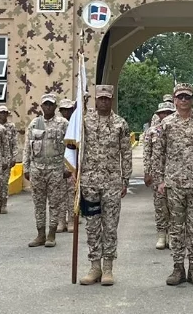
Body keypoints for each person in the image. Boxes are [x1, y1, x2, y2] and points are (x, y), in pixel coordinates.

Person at [154, 83, 193, 288]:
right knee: (177, 227)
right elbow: (159, 153)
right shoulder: (167, 124)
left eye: (187, 97)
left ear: (192, 99)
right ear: (174, 99)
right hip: (174, 183)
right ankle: (178, 267)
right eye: (180, 97)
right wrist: (160, 180)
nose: (183, 101)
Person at [78, 85, 132, 287]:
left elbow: (125, 153)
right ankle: (94, 266)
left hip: (111, 183)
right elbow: (75, 145)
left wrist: (125, 180)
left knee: (110, 226)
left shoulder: (120, 124)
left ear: (111, 99)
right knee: (92, 226)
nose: (104, 102)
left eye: (107, 98)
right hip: (89, 182)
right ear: (95, 99)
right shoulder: (85, 121)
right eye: (100, 98)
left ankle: (108, 267)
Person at [24, 93, 69, 248]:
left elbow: (70, 147)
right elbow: (26, 147)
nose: (48, 107)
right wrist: (26, 167)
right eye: (45, 104)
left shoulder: (63, 123)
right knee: (39, 203)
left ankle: (52, 234)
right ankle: (40, 234)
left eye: (51, 104)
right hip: (37, 167)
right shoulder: (34, 124)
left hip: (56, 168)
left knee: (54, 203)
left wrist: (68, 167)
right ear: (41, 106)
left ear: (55, 107)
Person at [143, 98, 175, 250]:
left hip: (175, 173)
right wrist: (147, 172)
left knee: (175, 205)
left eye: (169, 113)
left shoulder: (178, 129)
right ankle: (162, 234)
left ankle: (173, 235)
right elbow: (147, 153)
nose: (166, 115)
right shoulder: (151, 132)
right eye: (163, 113)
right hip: (157, 174)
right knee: (160, 205)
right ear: (159, 115)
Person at [57, 98, 77, 233]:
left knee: (71, 194)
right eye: (63, 110)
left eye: (68, 110)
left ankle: (71, 220)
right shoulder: (57, 125)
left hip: (72, 165)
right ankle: (60, 221)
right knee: (59, 194)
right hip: (58, 164)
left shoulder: (76, 126)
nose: (66, 112)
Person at [0, 107, 18, 214]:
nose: (3, 115)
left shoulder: (11, 127)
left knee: (4, 182)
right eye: (1, 113)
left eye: (5, 113)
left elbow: (14, 143)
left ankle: (3, 204)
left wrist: (14, 157)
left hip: (7, 158)